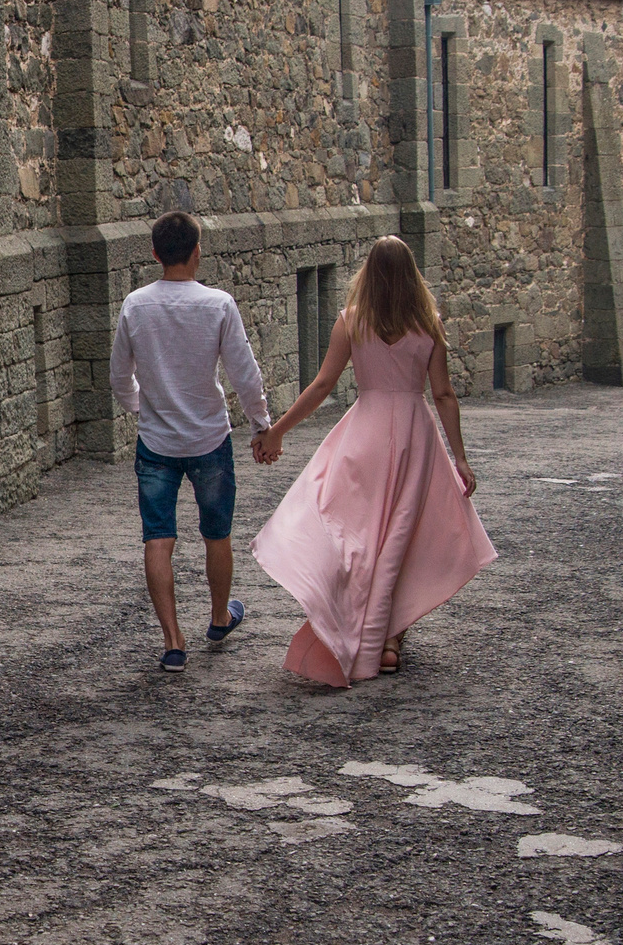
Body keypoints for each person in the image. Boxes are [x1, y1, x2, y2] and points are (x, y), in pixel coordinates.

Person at [249, 235, 495, 685]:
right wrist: (459, 457)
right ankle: (386, 641)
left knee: (356, 533)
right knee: (401, 536)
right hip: (415, 437)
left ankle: (362, 630)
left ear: (368, 273)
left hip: (364, 433)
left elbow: (322, 385)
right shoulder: (429, 324)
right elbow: (443, 393)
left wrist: (277, 431)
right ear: (410, 275)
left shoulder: (352, 321)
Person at [110, 212, 275, 673]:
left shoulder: (135, 305)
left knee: (158, 538)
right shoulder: (219, 305)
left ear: (156, 253)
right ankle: (219, 617)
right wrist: (262, 425)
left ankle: (172, 641)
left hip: (157, 441)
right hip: (208, 438)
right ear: (198, 252)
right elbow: (245, 373)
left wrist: (141, 407)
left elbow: (119, 376)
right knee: (216, 534)